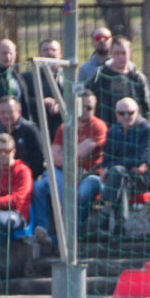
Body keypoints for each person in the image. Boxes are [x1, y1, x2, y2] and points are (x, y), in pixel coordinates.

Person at [30, 90, 107, 248]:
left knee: (82, 192)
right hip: (64, 173)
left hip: (90, 175)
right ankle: (42, 231)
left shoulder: (98, 126)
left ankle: (67, 238)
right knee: (39, 187)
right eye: (82, 107)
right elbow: (53, 157)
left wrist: (64, 155)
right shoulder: (65, 127)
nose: (85, 111)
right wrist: (67, 156)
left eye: (89, 108)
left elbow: (79, 154)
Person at [90, 97, 150, 236]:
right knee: (119, 176)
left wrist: (115, 165)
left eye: (130, 113)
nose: (126, 116)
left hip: (146, 179)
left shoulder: (147, 129)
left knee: (117, 173)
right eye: (122, 113)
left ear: (137, 112)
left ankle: (104, 214)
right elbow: (106, 161)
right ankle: (119, 227)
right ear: (116, 114)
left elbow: (143, 158)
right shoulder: (112, 132)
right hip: (125, 177)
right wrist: (129, 165)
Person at [84, 35, 150, 127]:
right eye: (117, 53)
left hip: (133, 130)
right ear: (111, 53)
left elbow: (146, 107)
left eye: (123, 53)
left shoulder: (137, 78)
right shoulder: (99, 76)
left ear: (130, 53)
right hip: (106, 128)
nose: (121, 57)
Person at [0, 95, 44, 174]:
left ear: (19, 112)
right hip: (3, 179)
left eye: (10, 112)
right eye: (2, 112)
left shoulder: (30, 130)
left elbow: (39, 162)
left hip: (28, 178)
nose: (6, 116)